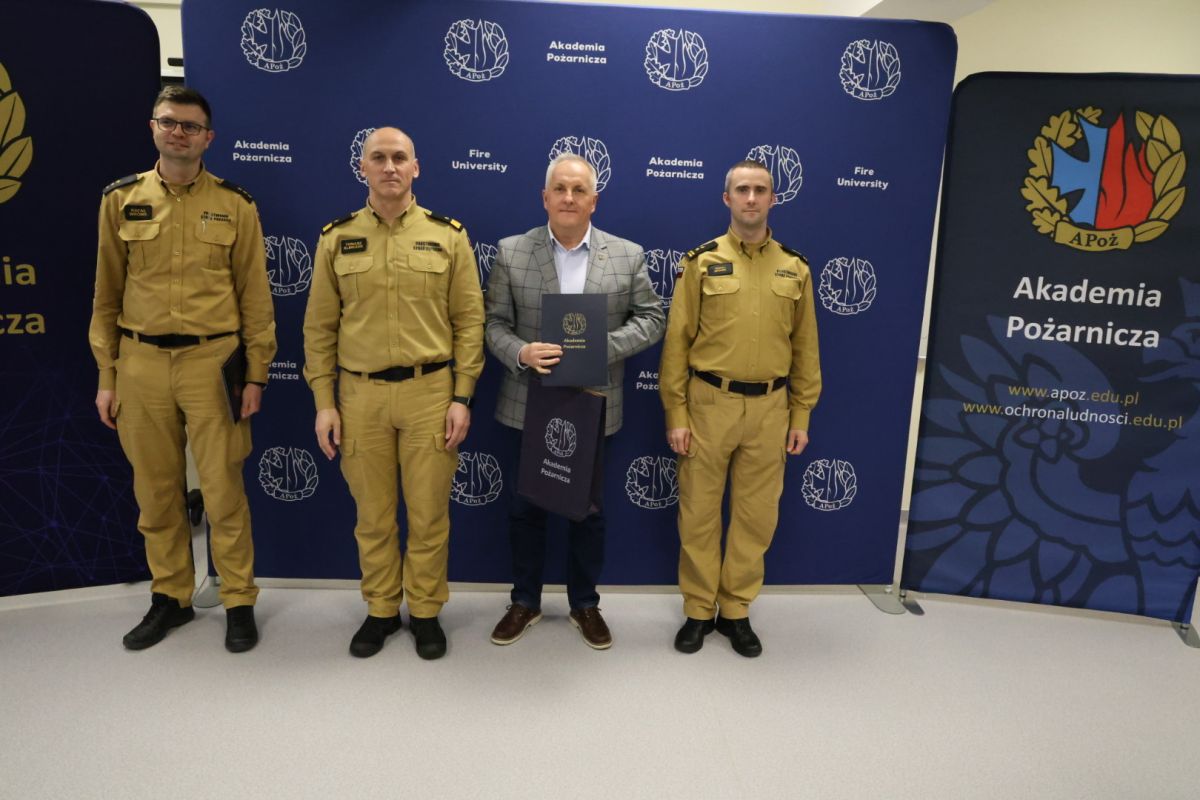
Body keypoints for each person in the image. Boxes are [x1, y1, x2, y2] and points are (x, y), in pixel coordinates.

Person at [89, 86, 277, 653]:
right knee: (156, 492)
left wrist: (256, 374)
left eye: (191, 126)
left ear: (208, 138)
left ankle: (238, 599)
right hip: (139, 363)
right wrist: (107, 375)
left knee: (223, 491)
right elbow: (105, 296)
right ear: (153, 127)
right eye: (169, 122)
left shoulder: (235, 205)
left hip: (212, 362)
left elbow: (255, 297)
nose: (179, 133)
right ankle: (170, 597)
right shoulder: (120, 200)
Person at [302, 127, 484, 660]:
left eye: (399, 158)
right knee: (374, 516)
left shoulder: (448, 236)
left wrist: (462, 396)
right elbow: (318, 329)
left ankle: (425, 610)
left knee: (428, 515)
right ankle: (381, 609)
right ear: (362, 167)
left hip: (431, 394)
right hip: (359, 397)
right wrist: (324, 402)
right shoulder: (336, 238)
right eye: (378, 158)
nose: (389, 167)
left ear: (415, 167)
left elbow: (469, 321)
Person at [485, 153, 665, 649]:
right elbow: (492, 324)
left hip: (594, 401)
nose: (569, 197)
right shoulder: (511, 252)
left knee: (588, 512)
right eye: (560, 189)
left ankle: (585, 603)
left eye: (578, 190)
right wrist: (520, 352)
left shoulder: (627, 255)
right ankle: (524, 601)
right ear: (545, 198)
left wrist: (601, 348)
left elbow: (653, 319)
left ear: (594, 200)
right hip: (529, 401)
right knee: (526, 509)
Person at [659, 159, 821, 657]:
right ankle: (698, 609)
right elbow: (677, 344)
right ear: (726, 199)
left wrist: (801, 415)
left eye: (761, 190)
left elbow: (806, 349)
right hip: (709, 404)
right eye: (743, 190)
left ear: (774, 198)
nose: (752, 198)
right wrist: (676, 414)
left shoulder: (795, 268)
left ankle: (735, 610)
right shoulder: (700, 262)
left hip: (771, 409)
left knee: (756, 516)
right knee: (699, 513)